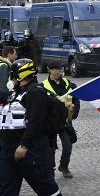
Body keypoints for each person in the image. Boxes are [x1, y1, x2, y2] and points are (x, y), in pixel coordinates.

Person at [0, 59, 63, 196]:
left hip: (30, 151)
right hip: (8, 150)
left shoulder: (35, 93)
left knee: (46, 188)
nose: (12, 77)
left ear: (22, 74)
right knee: (5, 190)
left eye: (14, 74)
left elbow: (36, 122)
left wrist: (24, 145)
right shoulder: (16, 93)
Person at [43, 61, 80, 179]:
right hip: (51, 122)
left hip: (65, 120)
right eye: (57, 69)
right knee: (50, 148)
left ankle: (64, 166)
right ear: (50, 70)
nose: (59, 72)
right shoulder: (43, 86)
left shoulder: (68, 84)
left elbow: (75, 100)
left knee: (68, 145)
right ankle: (50, 169)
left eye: (60, 69)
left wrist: (73, 111)